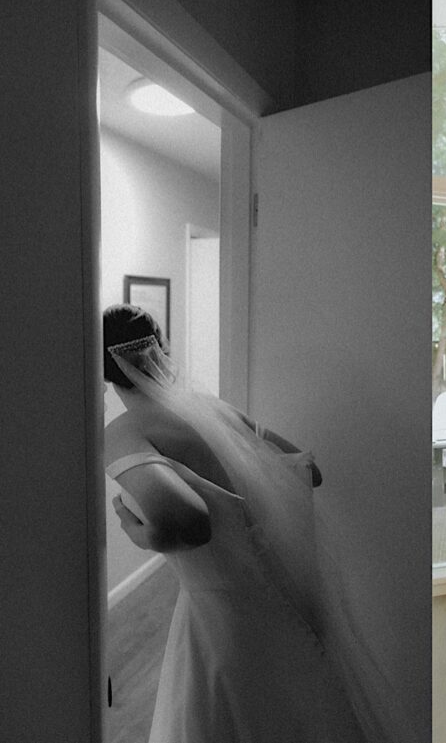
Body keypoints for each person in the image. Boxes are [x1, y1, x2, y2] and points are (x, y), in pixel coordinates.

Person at [103, 304, 361, 743]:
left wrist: (131, 525)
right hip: (278, 595)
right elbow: (308, 471)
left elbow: (186, 523)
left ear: (106, 372)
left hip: (219, 616)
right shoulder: (212, 410)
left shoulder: (122, 432)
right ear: (161, 348)